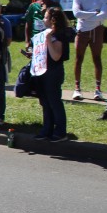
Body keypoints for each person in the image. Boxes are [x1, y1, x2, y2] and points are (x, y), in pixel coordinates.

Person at [29, 7, 70, 141]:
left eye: (46, 17)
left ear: (53, 20)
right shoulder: (46, 33)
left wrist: (48, 40)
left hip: (53, 72)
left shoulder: (58, 35)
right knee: (45, 102)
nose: (43, 19)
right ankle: (47, 129)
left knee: (54, 102)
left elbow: (56, 56)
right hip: (43, 71)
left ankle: (60, 131)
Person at [72, 0, 107, 100]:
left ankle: (98, 90)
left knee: (97, 58)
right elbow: (77, 14)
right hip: (82, 30)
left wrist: (87, 15)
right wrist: (94, 13)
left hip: (97, 29)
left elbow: (104, 15)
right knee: (79, 58)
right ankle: (77, 89)